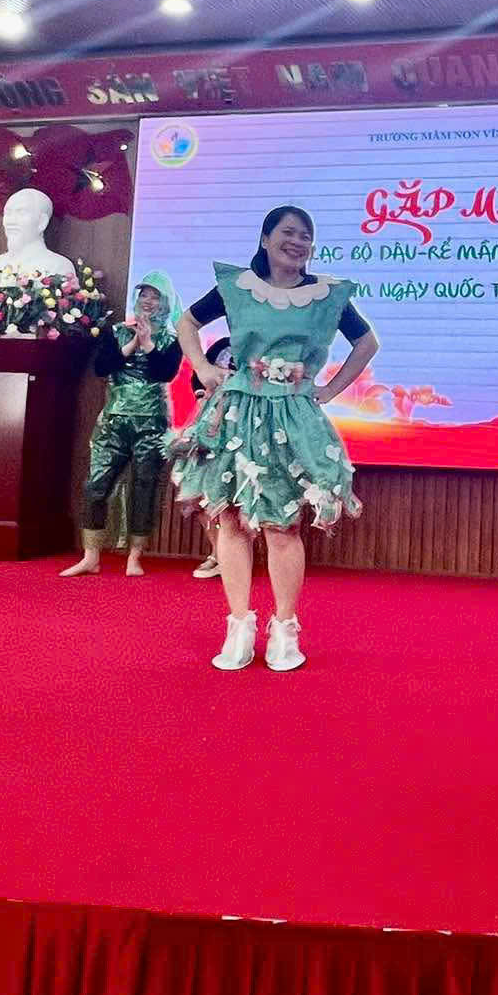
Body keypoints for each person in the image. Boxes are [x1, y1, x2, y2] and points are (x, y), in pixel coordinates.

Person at [172, 206, 378, 671]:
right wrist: (202, 367)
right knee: (230, 520)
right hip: (237, 412)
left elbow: (367, 343)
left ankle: (285, 629)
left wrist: (330, 389)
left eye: (306, 235)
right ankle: (238, 626)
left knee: (282, 525)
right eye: (288, 232)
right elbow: (186, 323)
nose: (297, 242)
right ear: (265, 239)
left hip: (293, 415)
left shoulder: (326, 295)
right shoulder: (238, 286)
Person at [62, 272, 181, 577]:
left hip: (151, 423)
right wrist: (131, 345)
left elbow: (165, 373)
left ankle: (135, 557)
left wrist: (148, 343)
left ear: (166, 302)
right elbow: (102, 367)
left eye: (155, 296)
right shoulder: (115, 332)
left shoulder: (173, 339)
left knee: (144, 487)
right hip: (114, 421)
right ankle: (91, 556)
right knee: (96, 484)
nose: (148, 301)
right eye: (144, 295)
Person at [188, 337, 233, 580]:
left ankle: (233, 557)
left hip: (243, 426)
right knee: (199, 492)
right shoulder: (222, 345)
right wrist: (202, 396)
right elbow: (198, 376)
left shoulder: (261, 347)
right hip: (209, 424)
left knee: (231, 497)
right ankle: (217, 553)